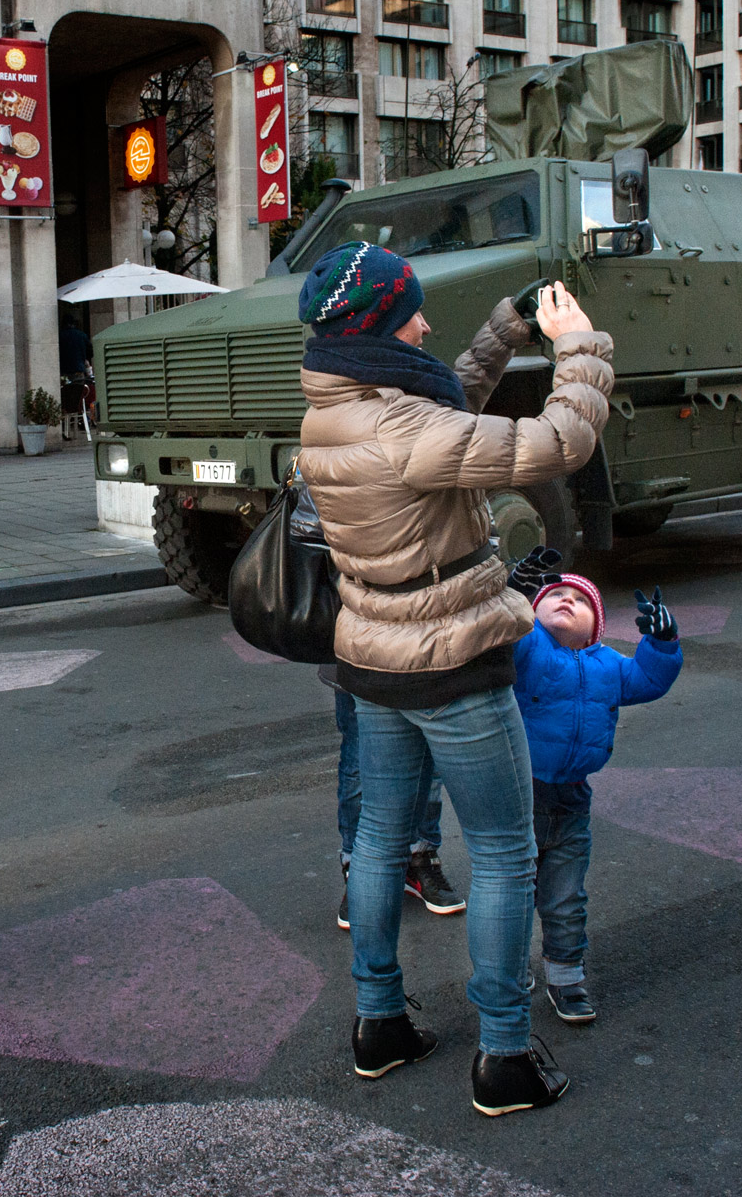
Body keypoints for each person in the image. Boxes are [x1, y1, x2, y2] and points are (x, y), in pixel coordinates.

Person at [295, 241, 613, 1115]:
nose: (425, 323)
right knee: (506, 853)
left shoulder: (334, 407)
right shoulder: (404, 429)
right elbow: (561, 440)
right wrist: (579, 344)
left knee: (380, 843)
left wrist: (506, 329)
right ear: (378, 327)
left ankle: (379, 1022)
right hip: (452, 665)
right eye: (412, 312)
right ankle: (505, 1055)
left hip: (373, 659)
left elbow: (445, 416)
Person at [511, 571, 682, 1026]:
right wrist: (516, 596)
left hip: (572, 804)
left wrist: (662, 642)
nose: (567, 601)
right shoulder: (531, 650)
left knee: (566, 899)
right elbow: (506, 634)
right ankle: (507, 972)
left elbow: (649, 678)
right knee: (510, 895)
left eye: (580, 600)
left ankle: (566, 978)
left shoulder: (609, 665)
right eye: (555, 596)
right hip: (519, 797)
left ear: (597, 625)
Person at [330, 681, 462, 930]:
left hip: (427, 657)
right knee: (360, 758)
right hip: (358, 658)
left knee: (427, 751)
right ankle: (357, 867)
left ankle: (419, 856)